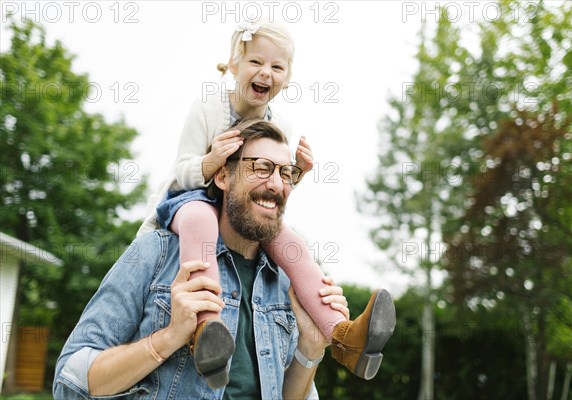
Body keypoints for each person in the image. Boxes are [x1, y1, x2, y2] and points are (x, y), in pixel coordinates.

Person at [137, 20, 396, 386]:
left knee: (291, 242)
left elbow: (266, 190)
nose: (266, 72)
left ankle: (343, 336)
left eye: (277, 67)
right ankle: (207, 329)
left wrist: (295, 174)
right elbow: (181, 170)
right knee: (200, 220)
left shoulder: (281, 124)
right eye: (256, 62)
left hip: (239, 209)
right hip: (192, 198)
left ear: (288, 77)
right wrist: (211, 163)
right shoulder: (209, 109)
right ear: (233, 65)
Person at [53, 119, 361, 399]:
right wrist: (169, 337)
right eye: (262, 167)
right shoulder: (155, 254)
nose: (277, 184)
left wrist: (310, 347)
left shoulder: (285, 283)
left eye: (286, 173)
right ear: (224, 176)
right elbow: (70, 380)